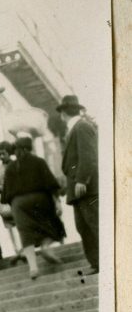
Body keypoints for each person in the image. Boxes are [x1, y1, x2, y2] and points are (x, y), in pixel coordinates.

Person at [1, 137, 66, 280]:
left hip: (18, 203)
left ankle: (33, 267)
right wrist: (57, 202)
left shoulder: (11, 167)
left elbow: (5, 193)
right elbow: (51, 184)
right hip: (40, 199)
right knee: (52, 225)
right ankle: (46, 247)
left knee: (26, 234)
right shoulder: (38, 162)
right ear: (30, 148)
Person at [57, 95, 99, 275]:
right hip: (78, 188)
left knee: (93, 224)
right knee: (84, 226)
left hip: (85, 188)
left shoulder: (80, 127)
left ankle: (101, 262)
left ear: (62, 113)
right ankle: (97, 263)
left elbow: (88, 156)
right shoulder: (76, 128)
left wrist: (82, 179)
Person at [0, 141, 23, 262]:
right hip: (6, 201)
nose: (1, 156)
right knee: (10, 226)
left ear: (9, 153)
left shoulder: (17, 165)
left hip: (18, 198)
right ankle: (16, 250)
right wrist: (0, 187)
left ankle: (25, 249)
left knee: (21, 224)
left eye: (3, 153)